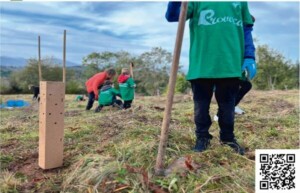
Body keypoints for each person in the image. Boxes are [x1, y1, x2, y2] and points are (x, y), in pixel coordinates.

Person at [166, 2, 257, 155]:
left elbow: (247, 28)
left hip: (230, 64)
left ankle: (227, 139)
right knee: (201, 108)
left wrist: (249, 55)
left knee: (227, 107)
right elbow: (174, 16)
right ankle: (202, 138)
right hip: (202, 65)